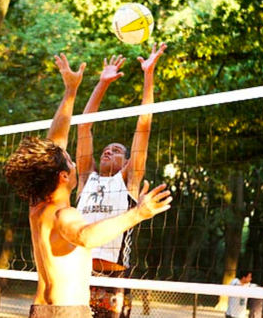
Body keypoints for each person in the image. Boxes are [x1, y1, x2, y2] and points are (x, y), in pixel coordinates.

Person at [4, 53, 173, 318]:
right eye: (70, 162)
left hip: (45, 307)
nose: (72, 161)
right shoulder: (66, 213)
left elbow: (56, 143)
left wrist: (71, 90)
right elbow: (85, 237)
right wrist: (140, 213)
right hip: (68, 311)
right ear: (62, 176)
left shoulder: (37, 205)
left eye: (116, 150)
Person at [76, 42, 167, 318]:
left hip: (111, 280)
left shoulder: (128, 180)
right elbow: (84, 126)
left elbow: (144, 125)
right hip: (76, 276)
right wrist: (102, 83)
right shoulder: (85, 178)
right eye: (106, 148)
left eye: (116, 150)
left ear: (127, 163)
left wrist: (148, 74)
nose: (107, 150)